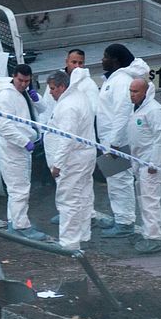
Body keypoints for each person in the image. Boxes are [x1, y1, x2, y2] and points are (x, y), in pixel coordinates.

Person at [96, 43, 150, 238]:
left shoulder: (120, 82)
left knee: (120, 180)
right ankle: (120, 217)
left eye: (105, 56)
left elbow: (122, 113)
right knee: (115, 180)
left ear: (115, 60)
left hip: (116, 142)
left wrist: (115, 143)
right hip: (111, 141)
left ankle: (125, 222)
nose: (102, 59)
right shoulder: (116, 79)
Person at [0, 64, 47, 241]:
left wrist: (35, 98)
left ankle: (14, 221)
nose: (23, 84)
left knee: (17, 187)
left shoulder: (24, 93)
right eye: (20, 80)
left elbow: (42, 109)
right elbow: (4, 127)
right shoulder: (6, 97)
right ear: (13, 77)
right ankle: (21, 226)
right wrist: (25, 142)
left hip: (22, 147)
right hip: (13, 148)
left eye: (27, 81)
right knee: (20, 189)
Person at [44, 69, 96, 250]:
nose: (50, 93)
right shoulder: (79, 97)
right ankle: (83, 234)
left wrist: (57, 164)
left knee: (69, 200)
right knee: (83, 196)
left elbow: (66, 138)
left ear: (62, 86)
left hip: (73, 159)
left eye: (52, 89)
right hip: (84, 155)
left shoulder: (69, 107)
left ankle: (69, 242)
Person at [128, 78, 161, 253]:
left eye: (135, 91)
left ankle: (153, 237)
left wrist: (155, 162)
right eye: (130, 91)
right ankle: (148, 232)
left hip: (151, 163)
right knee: (143, 198)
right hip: (141, 160)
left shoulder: (154, 110)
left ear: (145, 92)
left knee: (150, 200)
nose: (131, 95)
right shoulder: (137, 108)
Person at [40, 48, 99, 121]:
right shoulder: (55, 79)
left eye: (80, 63)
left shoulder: (89, 84)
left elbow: (93, 109)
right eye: (74, 62)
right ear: (67, 62)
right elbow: (47, 105)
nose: (77, 66)